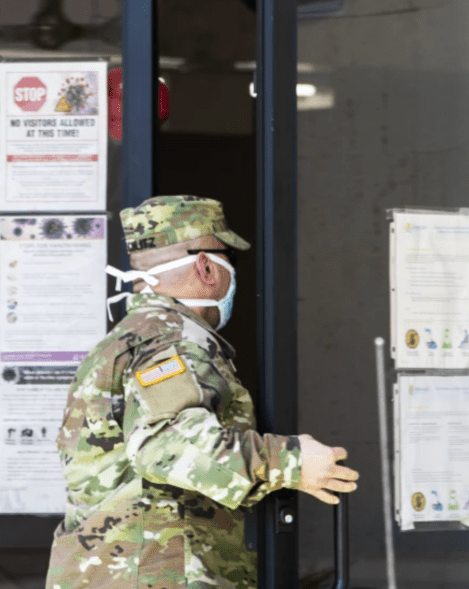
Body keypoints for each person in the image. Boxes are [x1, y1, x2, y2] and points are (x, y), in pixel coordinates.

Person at [46, 195, 359, 589]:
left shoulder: (128, 339)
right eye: (231, 259)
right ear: (207, 266)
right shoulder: (170, 341)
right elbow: (168, 445)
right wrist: (293, 462)